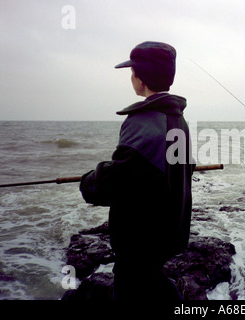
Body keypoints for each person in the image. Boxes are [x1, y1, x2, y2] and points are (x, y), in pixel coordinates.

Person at [79, 41, 194, 301]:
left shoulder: (143, 122)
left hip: (142, 235)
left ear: (140, 78)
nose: (131, 77)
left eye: (132, 72)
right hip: (170, 227)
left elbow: (116, 182)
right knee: (151, 278)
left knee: (133, 281)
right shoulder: (177, 118)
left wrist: (89, 182)